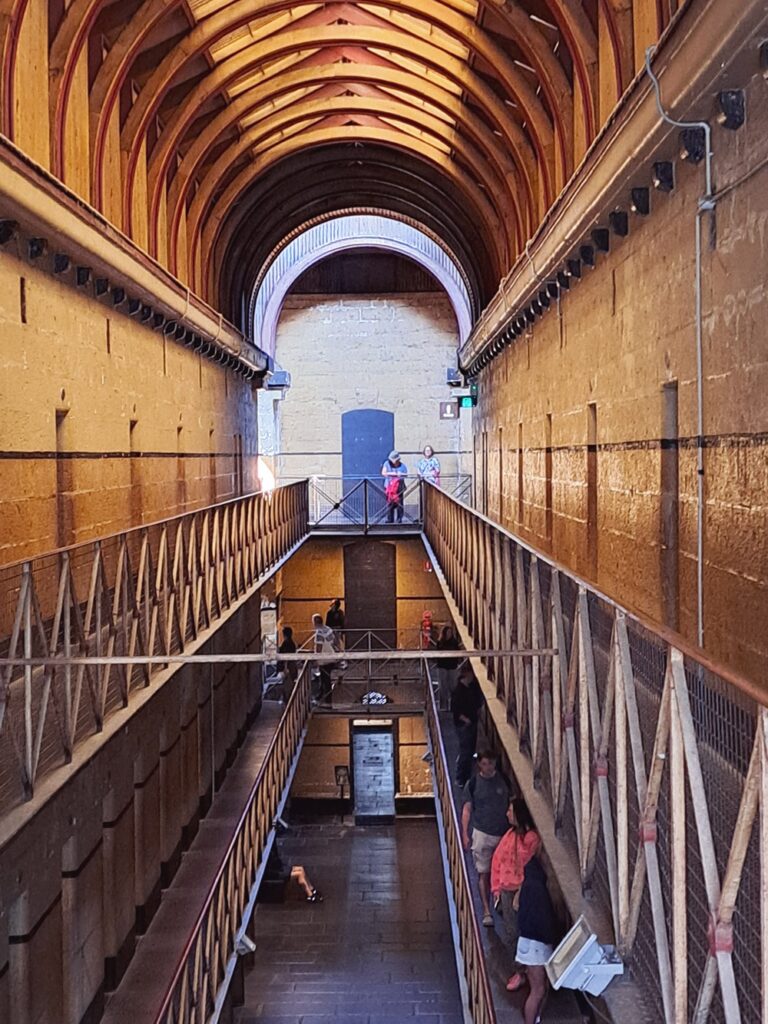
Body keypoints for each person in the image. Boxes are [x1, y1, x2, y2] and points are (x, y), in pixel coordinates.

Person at [490, 798, 541, 992]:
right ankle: (520, 971)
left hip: (522, 892)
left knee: (524, 931)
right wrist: (496, 889)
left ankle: (531, 971)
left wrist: (520, 892)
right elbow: (497, 861)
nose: (507, 814)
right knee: (511, 933)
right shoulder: (509, 835)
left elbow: (528, 867)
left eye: (510, 811)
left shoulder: (530, 838)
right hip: (506, 890)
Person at [461, 749, 515, 927]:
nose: (488, 767)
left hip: (503, 834)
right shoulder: (474, 783)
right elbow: (467, 809)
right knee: (484, 872)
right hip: (482, 833)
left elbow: (512, 804)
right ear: (480, 764)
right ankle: (486, 910)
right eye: (484, 764)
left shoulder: (503, 781)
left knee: (502, 872)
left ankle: (499, 902)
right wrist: (465, 833)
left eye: (491, 764)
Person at [515, 857, 558, 1024]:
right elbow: (544, 920)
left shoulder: (527, 885)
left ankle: (535, 1019)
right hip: (537, 946)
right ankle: (531, 1020)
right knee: (538, 991)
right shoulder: (539, 889)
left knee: (538, 988)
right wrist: (551, 939)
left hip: (526, 941)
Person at [451, 667, 483, 787]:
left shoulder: (471, 688)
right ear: (465, 676)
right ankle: (460, 778)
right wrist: (466, 720)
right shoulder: (459, 691)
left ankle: (466, 777)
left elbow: (477, 702)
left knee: (469, 751)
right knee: (465, 751)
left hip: (471, 722)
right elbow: (455, 710)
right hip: (464, 725)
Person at [312, 612, 337, 705]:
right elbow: (334, 642)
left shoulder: (319, 632)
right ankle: (321, 696)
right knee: (325, 678)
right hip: (332, 657)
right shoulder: (328, 629)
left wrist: (315, 658)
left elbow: (319, 646)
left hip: (324, 659)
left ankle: (327, 700)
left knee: (325, 679)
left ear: (315, 622)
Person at [434, 624, 461, 709]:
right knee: (443, 687)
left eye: (451, 632)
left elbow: (457, 653)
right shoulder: (440, 642)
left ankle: (453, 706)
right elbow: (438, 654)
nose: (449, 634)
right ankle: (443, 707)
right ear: (444, 633)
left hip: (452, 666)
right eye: (448, 632)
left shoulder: (454, 642)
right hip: (442, 666)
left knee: (453, 686)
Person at [381, 450, 408, 523]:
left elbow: (405, 474)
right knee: (390, 502)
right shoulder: (386, 464)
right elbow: (383, 473)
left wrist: (400, 474)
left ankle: (399, 518)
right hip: (389, 486)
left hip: (399, 486)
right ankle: (390, 519)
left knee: (400, 502)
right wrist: (393, 473)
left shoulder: (402, 466)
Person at [276, 625, 298, 702]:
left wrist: (285, 668)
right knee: (288, 683)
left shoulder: (287, 643)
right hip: (290, 666)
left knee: (287, 684)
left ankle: (288, 700)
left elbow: (286, 657)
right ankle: (287, 698)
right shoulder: (291, 643)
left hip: (287, 666)